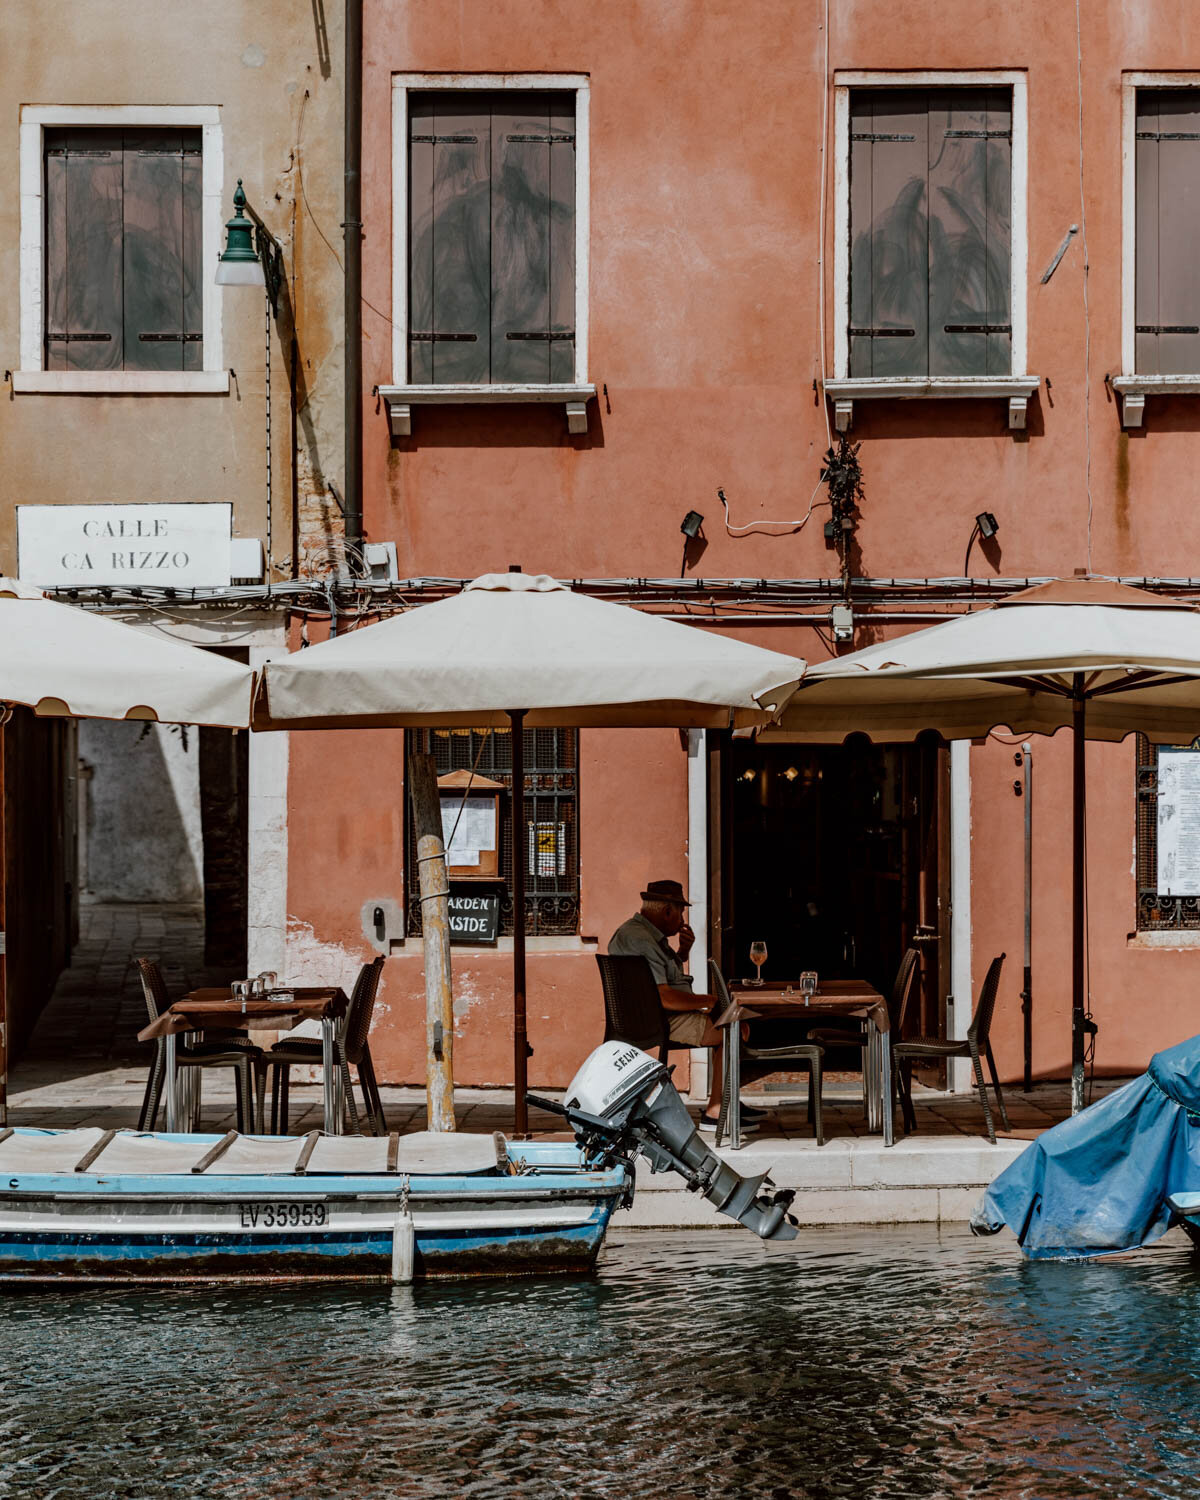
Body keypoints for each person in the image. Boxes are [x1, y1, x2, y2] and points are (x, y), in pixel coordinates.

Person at [607, 879, 764, 1132]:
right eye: (680, 911)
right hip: (658, 1019)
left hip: (656, 1015)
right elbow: (664, 996)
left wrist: (682, 952)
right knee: (733, 1027)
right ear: (667, 910)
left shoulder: (645, 935)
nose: (682, 918)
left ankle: (725, 1100)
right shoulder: (640, 939)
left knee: (732, 1023)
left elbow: (658, 981)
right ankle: (716, 1113)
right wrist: (709, 1001)